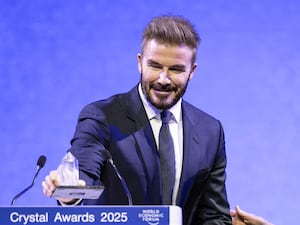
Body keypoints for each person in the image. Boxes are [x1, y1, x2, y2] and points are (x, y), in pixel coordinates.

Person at [42, 15, 232, 225]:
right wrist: (72, 193)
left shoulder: (210, 131)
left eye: (176, 69)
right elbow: (83, 170)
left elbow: (213, 215)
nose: (163, 79)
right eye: (155, 66)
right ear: (140, 63)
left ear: (192, 71)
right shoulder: (101, 116)